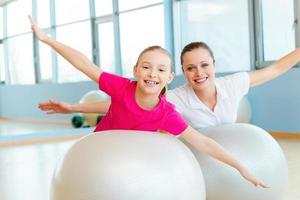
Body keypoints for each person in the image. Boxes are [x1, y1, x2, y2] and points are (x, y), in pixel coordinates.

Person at [29, 16, 267, 188]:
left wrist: (241, 167)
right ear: (135, 70)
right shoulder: (121, 87)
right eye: (146, 67)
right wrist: (48, 40)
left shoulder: (167, 113)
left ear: (169, 77)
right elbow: (84, 64)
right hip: (101, 159)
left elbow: (203, 142)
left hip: (134, 170)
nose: (153, 74)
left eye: (161, 69)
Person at [40, 41, 300, 130]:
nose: (199, 73)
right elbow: (122, 103)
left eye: (204, 65)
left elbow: (275, 68)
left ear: (214, 66)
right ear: (182, 73)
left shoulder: (233, 85)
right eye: (190, 68)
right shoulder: (176, 97)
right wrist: (74, 107)